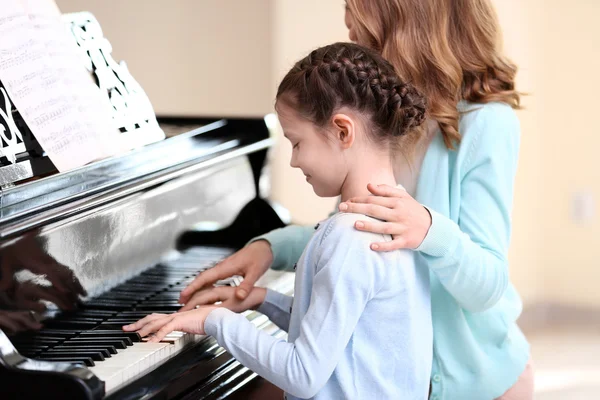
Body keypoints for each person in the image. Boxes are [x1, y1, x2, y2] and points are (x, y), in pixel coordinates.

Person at [179, 1, 534, 399]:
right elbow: (357, 231)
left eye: (362, 37)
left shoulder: (487, 124)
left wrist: (429, 231)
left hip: (476, 382)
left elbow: (488, 285)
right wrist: (268, 247)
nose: (355, 52)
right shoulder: (384, 124)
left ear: (405, 30)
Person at [124, 42, 433, 399]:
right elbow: (341, 333)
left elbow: (303, 374)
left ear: (343, 132)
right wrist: (263, 299)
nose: (293, 161)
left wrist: (215, 321)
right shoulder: (396, 219)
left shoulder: (353, 237)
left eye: (297, 143)